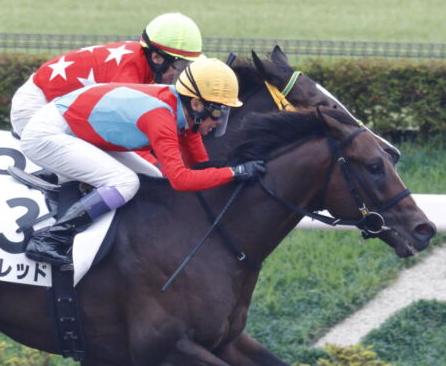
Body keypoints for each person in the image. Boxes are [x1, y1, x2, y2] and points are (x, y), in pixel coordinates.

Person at [19, 57, 267, 268]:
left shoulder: (184, 113)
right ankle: (50, 239)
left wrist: (233, 175)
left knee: (154, 179)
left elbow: (200, 165)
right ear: (196, 103)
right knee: (126, 182)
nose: (219, 121)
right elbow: (181, 180)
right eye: (218, 111)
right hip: (49, 134)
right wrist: (234, 173)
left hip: (79, 131)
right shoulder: (161, 116)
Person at [10, 12, 204, 136]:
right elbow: (123, 130)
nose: (180, 75)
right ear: (157, 58)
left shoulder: (142, 63)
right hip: (36, 107)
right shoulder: (129, 74)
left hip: (50, 105)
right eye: (180, 66)